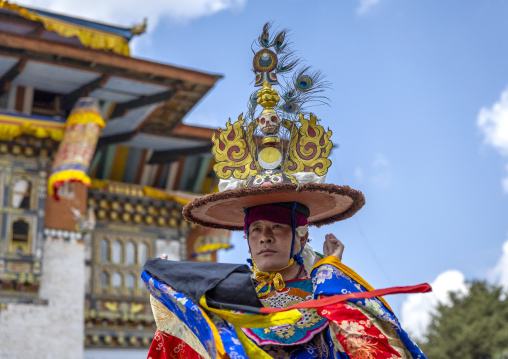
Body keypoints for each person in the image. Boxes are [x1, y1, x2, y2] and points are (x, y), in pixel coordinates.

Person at [142, 23, 429, 359]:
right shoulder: (226, 301)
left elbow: (373, 349)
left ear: (302, 236)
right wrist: (172, 289)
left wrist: (331, 273)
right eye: (257, 230)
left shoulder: (331, 291)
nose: (265, 238)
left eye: (278, 227)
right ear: (246, 238)